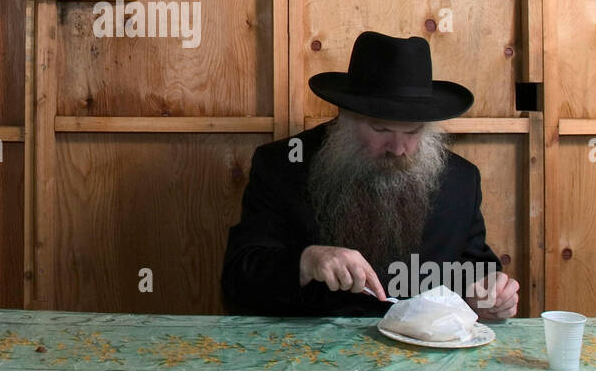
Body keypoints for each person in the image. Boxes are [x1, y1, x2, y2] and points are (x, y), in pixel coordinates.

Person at [221, 30, 519, 320]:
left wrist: (489, 297)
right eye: (381, 129)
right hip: (309, 355)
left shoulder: (461, 180)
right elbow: (238, 280)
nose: (399, 148)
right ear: (345, 118)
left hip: (424, 356)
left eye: (413, 132)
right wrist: (305, 261)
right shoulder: (282, 165)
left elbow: (475, 273)